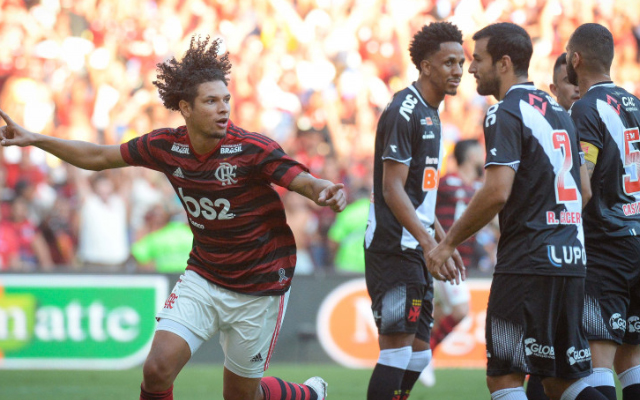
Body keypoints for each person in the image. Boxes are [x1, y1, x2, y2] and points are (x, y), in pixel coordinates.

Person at [0, 35, 346, 400]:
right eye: (211, 101)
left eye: (226, 99)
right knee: (156, 369)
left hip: (259, 284)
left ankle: (309, 396)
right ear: (186, 107)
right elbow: (99, 157)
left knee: (242, 397)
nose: (223, 109)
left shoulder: (251, 148)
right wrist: (36, 139)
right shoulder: (166, 146)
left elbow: (302, 180)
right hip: (205, 275)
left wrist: (323, 189)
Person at [427, 22, 607, 400]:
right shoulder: (560, 112)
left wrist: (448, 244)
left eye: (478, 59)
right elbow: (584, 190)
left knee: (505, 378)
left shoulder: (504, 112)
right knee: (562, 381)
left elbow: (495, 193)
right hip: (571, 262)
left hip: (527, 265)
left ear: (504, 63)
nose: (471, 68)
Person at [363, 21, 466, 400]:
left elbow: (417, 194)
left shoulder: (432, 113)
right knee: (396, 350)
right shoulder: (403, 110)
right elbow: (392, 189)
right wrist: (430, 244)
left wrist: (443, 240)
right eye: (448, 62)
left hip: (417, 247)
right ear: (425, 66)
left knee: (420, 355)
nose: (457, 70)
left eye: (461, 62)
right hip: (394, 248)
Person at [567, 23, 640, 400]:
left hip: (606, 247)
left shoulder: (585, 108)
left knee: (599, 361)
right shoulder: (636, 104)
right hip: (637, 239)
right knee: (633, 362)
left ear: (575, 59)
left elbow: (583, 185)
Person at [526, 51, 582, 400]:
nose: (577, 90)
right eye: (569, 83)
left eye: (580, 81)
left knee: (554, 370)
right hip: (571, 253)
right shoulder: (563, 127)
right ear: (553, 88)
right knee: (550, 371)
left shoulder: (583, 122)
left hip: (571, 256)